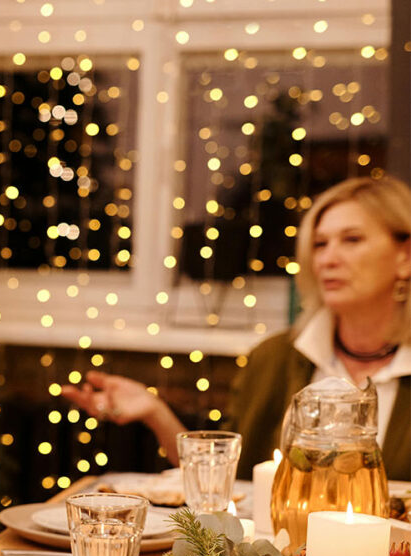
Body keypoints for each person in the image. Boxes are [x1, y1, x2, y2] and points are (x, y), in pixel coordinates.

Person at [62, 175, 411, 480]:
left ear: (404, 256)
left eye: (351, 240)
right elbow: (225, 477)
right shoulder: (274, 358)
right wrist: (155, 412)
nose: (328, 258)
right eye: (320, 244)